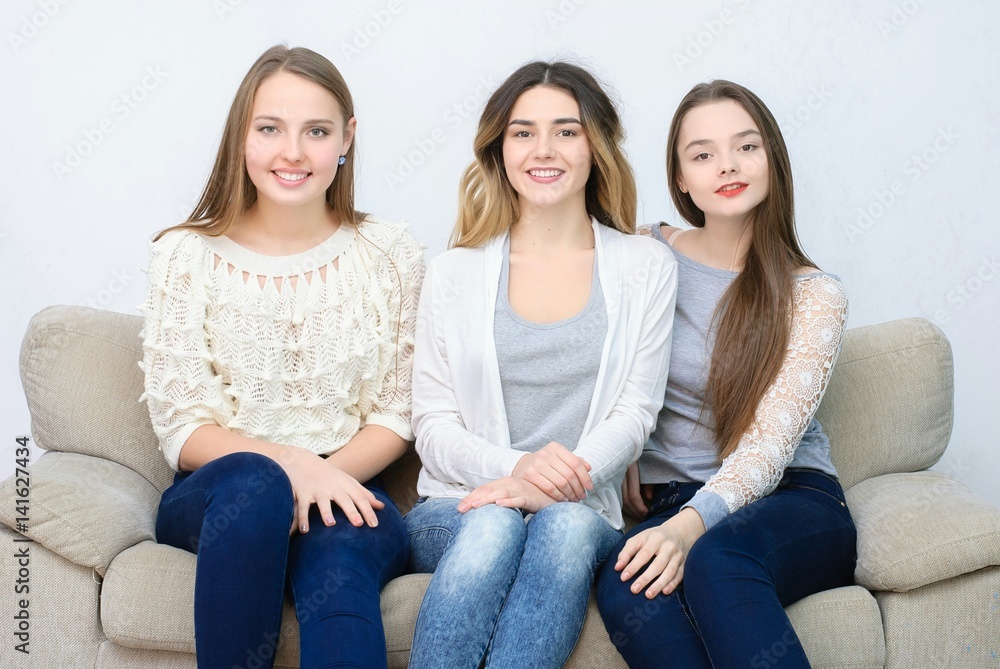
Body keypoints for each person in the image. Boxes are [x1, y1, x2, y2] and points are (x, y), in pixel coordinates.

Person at [140, 45, 424, 669]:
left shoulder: (390, 254)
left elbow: (396, 414)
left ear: (347, 138)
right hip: (218, 493)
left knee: (342, 552)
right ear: (242, 135)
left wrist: (325, 479)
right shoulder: (184, 256)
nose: (292, 152)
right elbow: (183, 426)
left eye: (316, 131)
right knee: (257, 482)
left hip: (347, 487)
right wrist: (293, 468)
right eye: (270, 129)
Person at [404, 61, 678, 669]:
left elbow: (637, 412)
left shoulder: (645, 266)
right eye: (523, 132)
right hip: (459, 508)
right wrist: (517, 470)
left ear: (596, 146)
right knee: (496, 526)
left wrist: (550, 486)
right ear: (499, 150)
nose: (543, 149)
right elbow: (433, 426)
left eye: (566, 130)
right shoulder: (455, 273)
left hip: (583, 510)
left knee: (566, 527)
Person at [595, 79, 857, 668]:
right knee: (624, 585)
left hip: (791, 499)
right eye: (703, 153)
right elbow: (601, 356)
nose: (728, 165)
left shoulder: (813, 295)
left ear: (773, 160)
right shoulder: (642, 254)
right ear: (681, 178)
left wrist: (690, 528)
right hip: (668, 501)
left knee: (718, 560)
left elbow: (769, 447)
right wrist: (627, 446)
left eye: (747, 146)